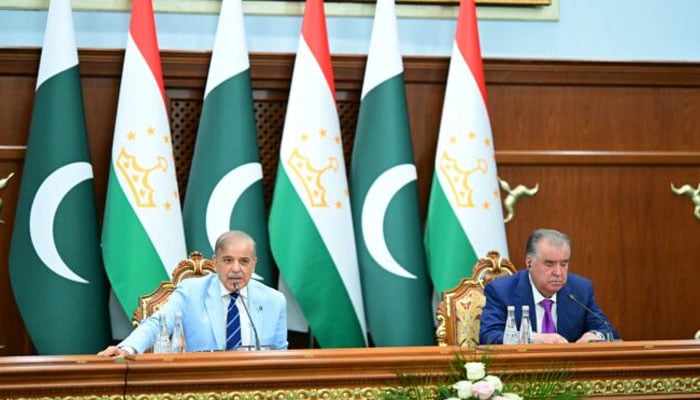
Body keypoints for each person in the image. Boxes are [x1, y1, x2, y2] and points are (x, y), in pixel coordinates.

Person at [98, 230, 287, 356]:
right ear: (215, 262)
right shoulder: (191, 291)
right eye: (228, 260)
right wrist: (127, 349)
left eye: (244, 261)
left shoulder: (274, 301)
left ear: (254, 263)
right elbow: (157, 324)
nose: (236, 269)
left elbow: (281, 355)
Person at [479, 228, 618, 344]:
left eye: (564, 264)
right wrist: (533, 338)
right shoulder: (501, 291)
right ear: (529, 263)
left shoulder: (580, 290)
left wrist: (595, 336)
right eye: (549, 264)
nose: (558, 273)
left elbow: (607, 330)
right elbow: (489, 336)